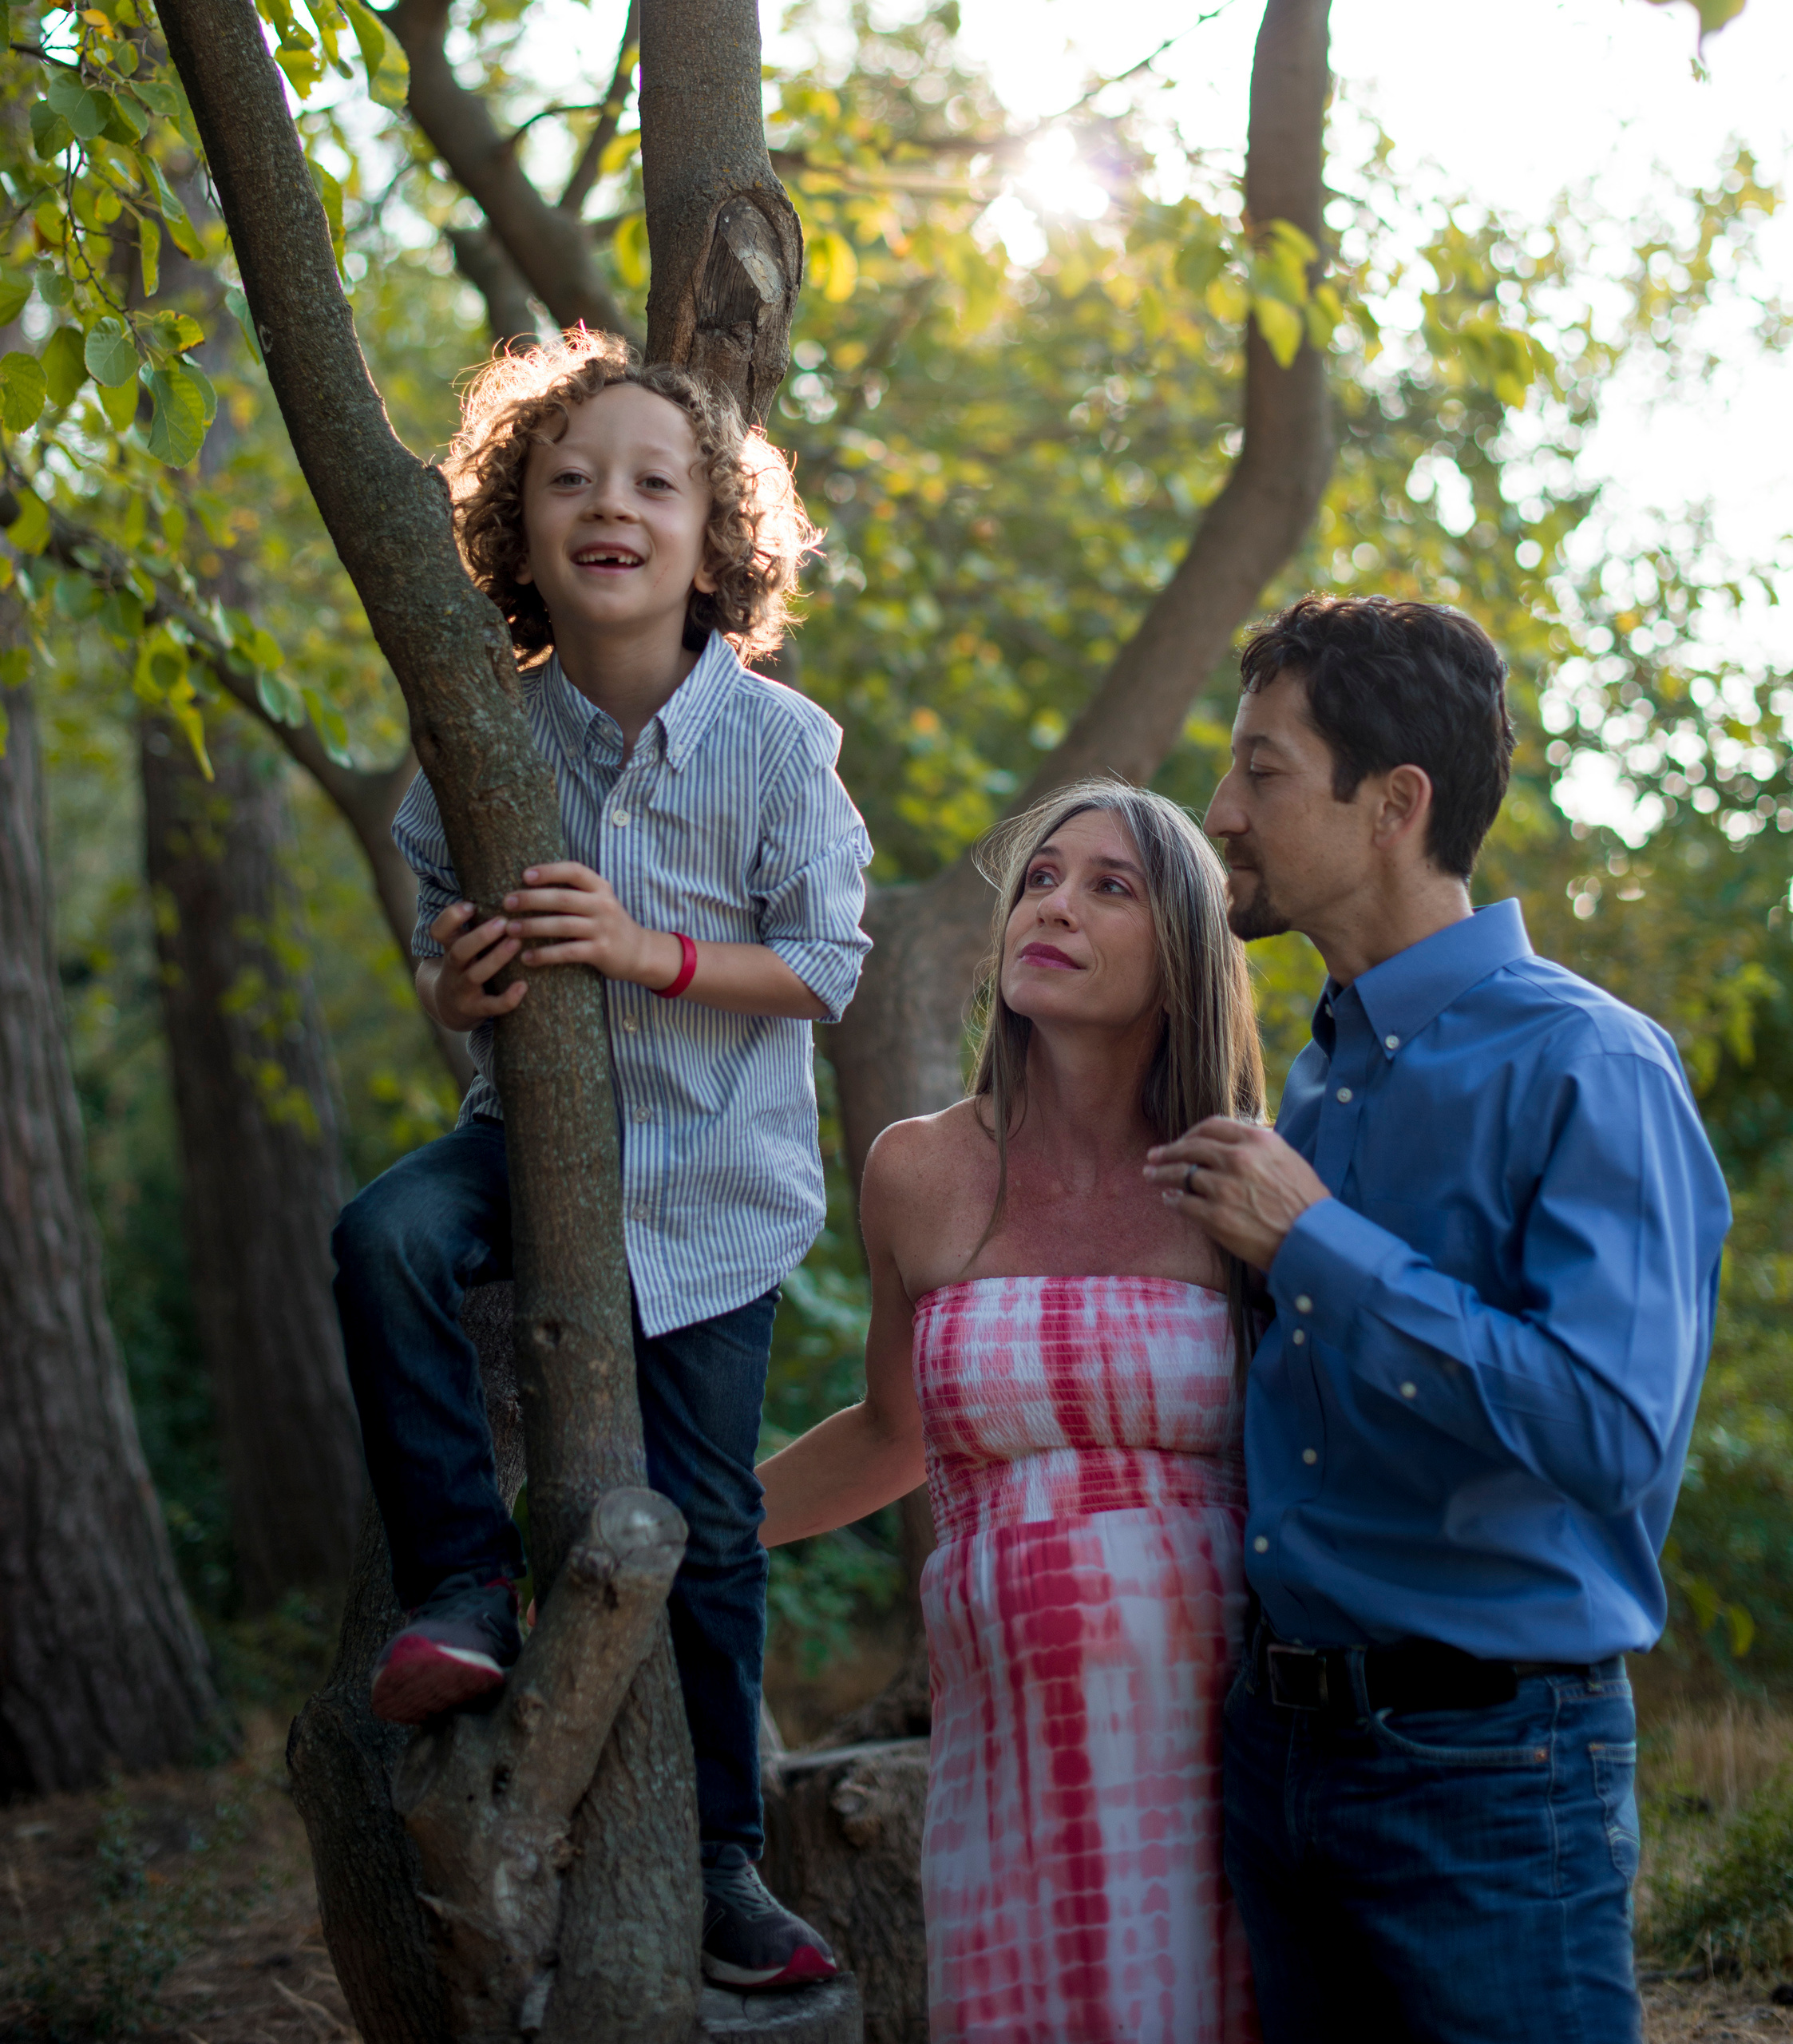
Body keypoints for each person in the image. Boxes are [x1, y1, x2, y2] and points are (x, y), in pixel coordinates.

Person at [330, 330, 872, 1991]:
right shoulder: (484, 740)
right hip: (535, 1160)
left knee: (701, 1522)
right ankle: (463, 1592)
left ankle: (720, 1861)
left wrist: (650, 953)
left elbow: (829, 963)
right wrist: (461, 977)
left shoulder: (779, 746)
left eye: (653, 479)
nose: (608, 504)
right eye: (567, 480)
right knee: (385, 1236)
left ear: (718, 536)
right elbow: (441, 936)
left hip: (711, 1202)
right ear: (514, 535)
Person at [1145, 595, 1730, 2043]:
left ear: (1393, 804)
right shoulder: (1320, 1067)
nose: (1219, 810)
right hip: (1277, 1753)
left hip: (1488, 1773)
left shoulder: (1590, 1064)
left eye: (1263, 770)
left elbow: (1606, 1430)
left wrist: (1315, 1247)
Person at [758, 782, 1263, 2043]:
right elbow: (890, 1436)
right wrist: (678, 1531)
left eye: (1109, 887)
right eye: (1039, 878)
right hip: (1009, 1757)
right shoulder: (918, 1170)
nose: (1053, 905)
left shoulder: (1249, 1176)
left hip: (1229, 1758)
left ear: (1183, 952)